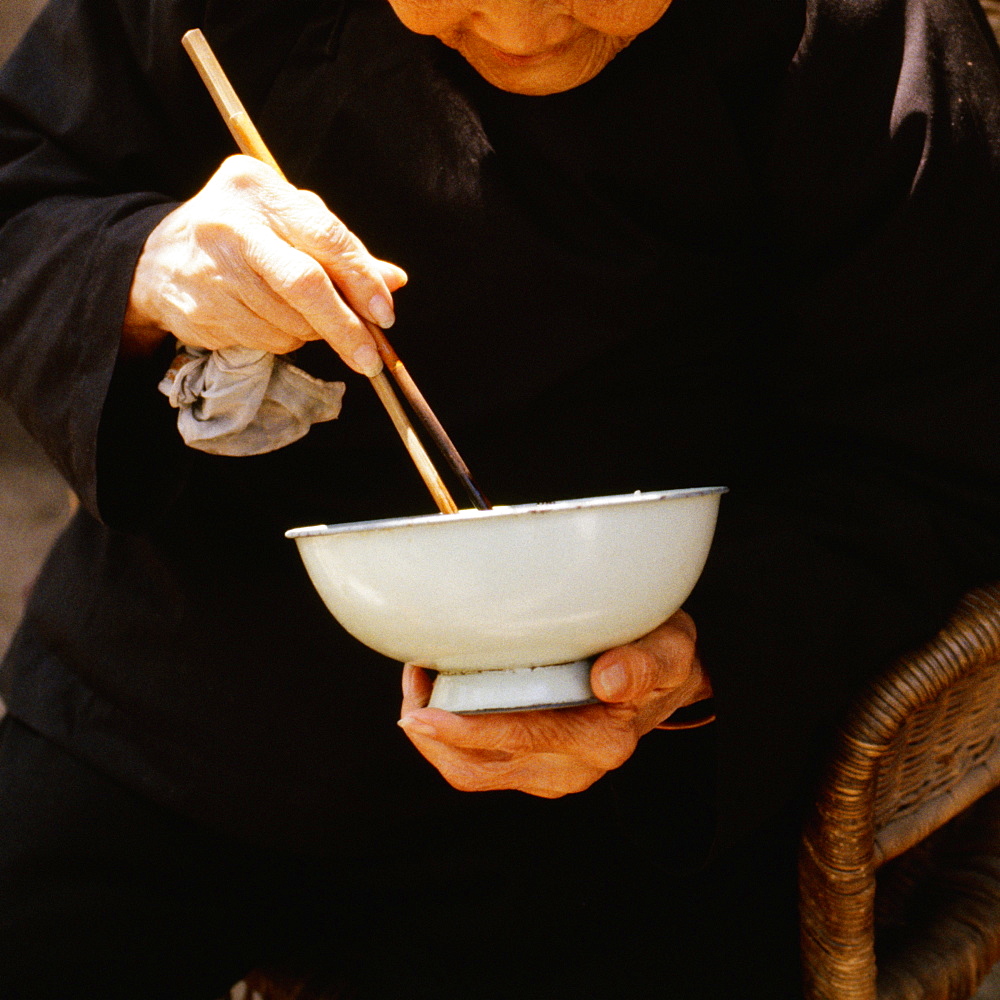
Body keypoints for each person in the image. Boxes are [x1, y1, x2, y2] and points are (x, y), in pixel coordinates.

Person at [0, 0, 998, 996]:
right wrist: (142, 272)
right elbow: (24, 189)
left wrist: (693, 660)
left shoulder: (866, 34)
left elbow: (928, 446)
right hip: (183, 685)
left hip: (618, 767)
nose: (522, 32)